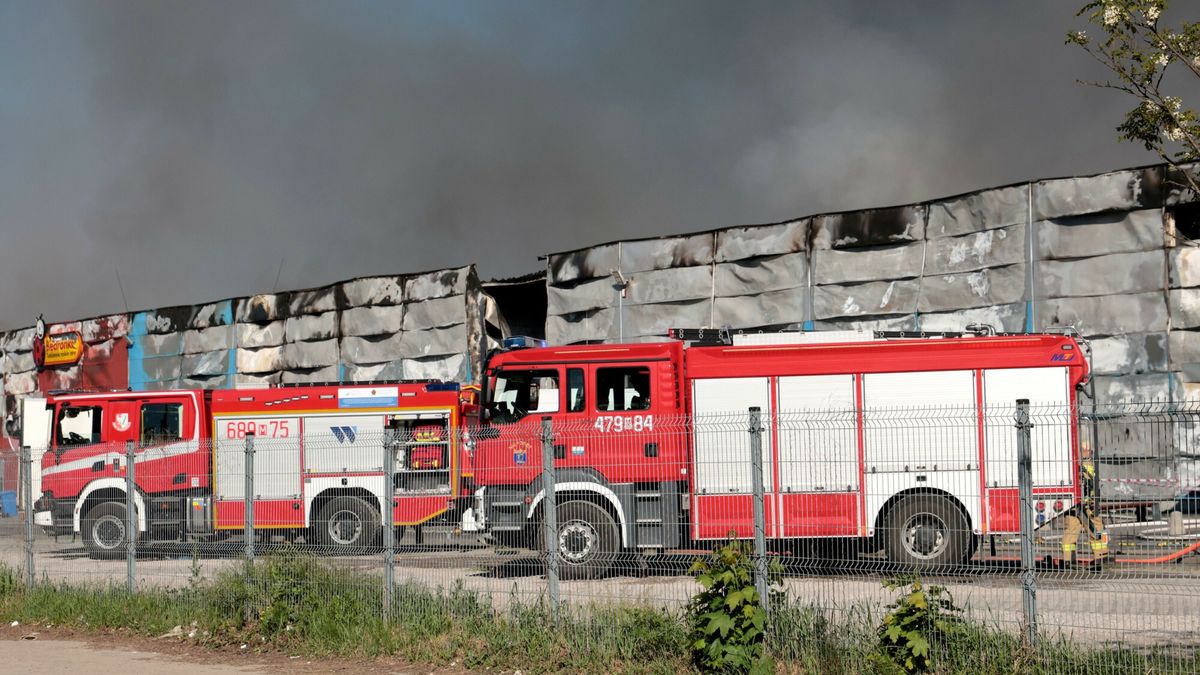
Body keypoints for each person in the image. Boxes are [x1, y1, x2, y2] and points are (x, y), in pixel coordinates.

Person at [1061, 460, 1109, 567]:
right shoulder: (1087, 467)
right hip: (1087, 505)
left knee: (1071, 530)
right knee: (1097, 528)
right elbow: (1091, 487)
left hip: (1071, 504)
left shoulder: (1068, 465)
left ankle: (1068, 560)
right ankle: (1101, 557)